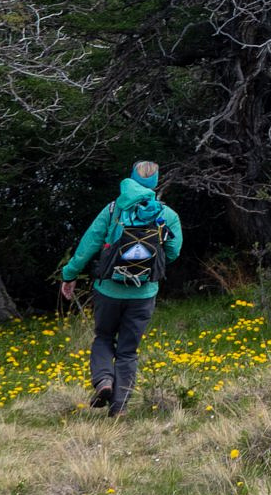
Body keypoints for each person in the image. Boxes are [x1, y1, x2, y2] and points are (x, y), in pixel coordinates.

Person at [59, 159, 183, 417]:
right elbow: (173, 252)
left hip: (108, 290)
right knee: (128, 351)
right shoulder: (166, 215)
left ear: (130, 177)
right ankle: (119, 408)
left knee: (104, 337)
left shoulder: (113, 209)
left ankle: (104, 381)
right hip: (144, 293)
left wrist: (69, 275)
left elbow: (88, 245)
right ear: (155, 182)